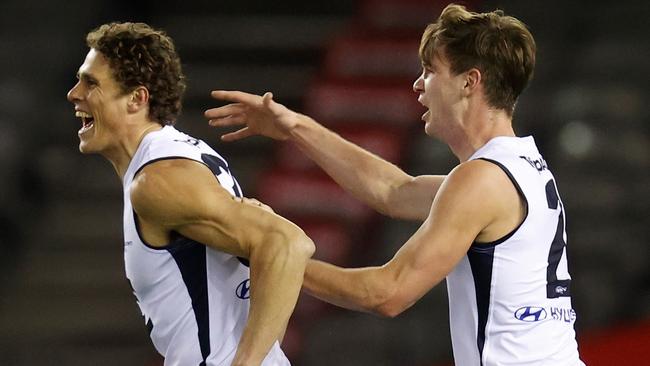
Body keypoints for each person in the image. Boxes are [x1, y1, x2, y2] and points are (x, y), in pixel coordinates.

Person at [205, 4, 584, 365]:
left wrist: (271, 257)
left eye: (430, 70)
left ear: (470, 82)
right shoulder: (518, 166)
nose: (418, 84)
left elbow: (387, 293)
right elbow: (394, 191)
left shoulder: (482, 179)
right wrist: (295, 126)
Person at [66, 22, 315, 366]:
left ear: (137, 98)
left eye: (90, 82)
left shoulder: (158, 179)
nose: (74, 93)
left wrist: (245, 363)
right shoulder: (182, 154)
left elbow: (288, 243)